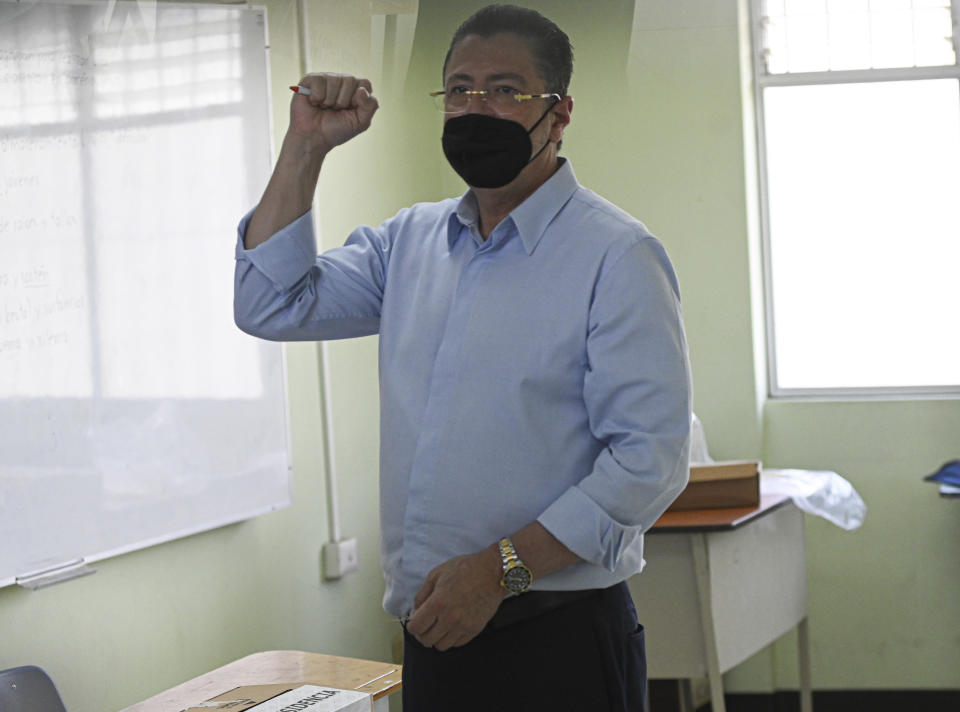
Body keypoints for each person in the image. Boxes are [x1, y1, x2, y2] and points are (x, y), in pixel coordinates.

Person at [235, 5, 691, 711]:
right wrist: (305, 148)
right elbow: (271, 305)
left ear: (560, 113)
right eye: (459, 90)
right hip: (437, 636)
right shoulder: (408, 244)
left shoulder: (616, 256)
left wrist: (500, 570)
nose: (476, 108)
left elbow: (648, 462)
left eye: (506, 90)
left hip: (558, 642)